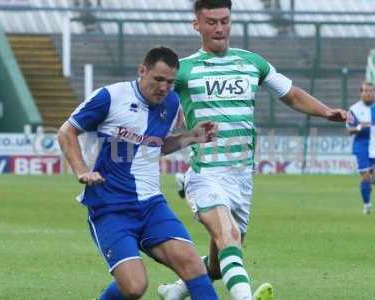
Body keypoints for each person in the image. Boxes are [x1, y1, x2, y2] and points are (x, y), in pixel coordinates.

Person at [157, 1, 347, 300]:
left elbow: (291, 94)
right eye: (211, 22)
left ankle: (175, 292)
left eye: (224, 21)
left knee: (221, 262)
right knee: (228, 236)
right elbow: (148, 94)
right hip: (207, 174)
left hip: (243, 177)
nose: (219, 28)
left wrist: (326, 112)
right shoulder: (184, 71)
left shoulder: (252, 63)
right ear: (197, 25)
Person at [58, 46, 219, 300]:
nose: (164, 87)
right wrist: (82, 171)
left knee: (192, 264)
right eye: (158, 79)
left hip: (151, 205)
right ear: (142, 71)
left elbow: (155, 146)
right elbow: (66, 131)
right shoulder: (110, 97)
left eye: (170, 82)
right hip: (110, 208)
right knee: (134, 287)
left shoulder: (171, 102)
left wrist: (191, 136)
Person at [346, 82, 375, 215]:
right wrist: (359, 127)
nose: (369, 93)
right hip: (362, 145)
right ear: (361, 93)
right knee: (365, 177)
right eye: (366, 91)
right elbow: (349, 130)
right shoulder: (354, 109)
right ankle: (367, 204)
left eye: (371, 91)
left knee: (372, 177)